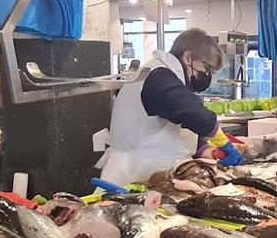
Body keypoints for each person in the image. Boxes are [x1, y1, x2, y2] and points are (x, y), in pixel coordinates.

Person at [97, 28, 242, 187]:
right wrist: (224, 143)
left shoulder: (162, 75)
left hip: (152, 175)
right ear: (188, 57)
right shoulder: (158, 77)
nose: (207, 77)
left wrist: (204, 149)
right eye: (207, 69)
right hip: (134, 176)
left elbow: (172, 125)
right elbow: (192, 112)